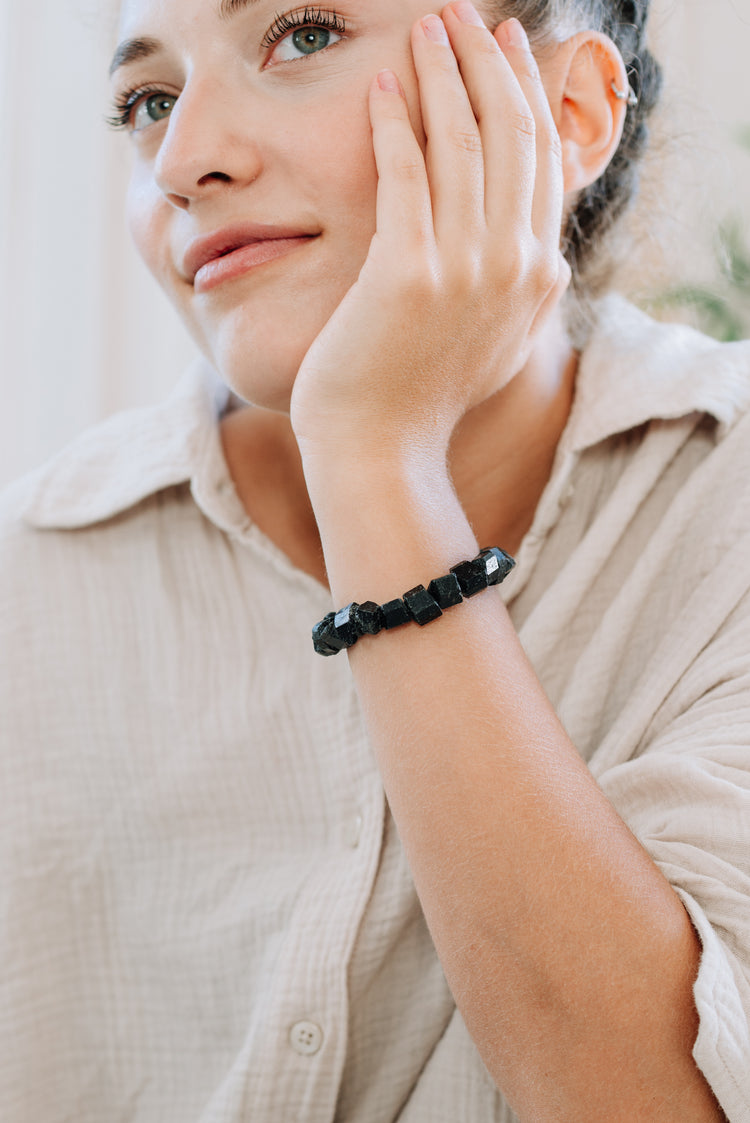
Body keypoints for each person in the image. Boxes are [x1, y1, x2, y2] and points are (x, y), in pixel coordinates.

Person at [1, 0, 749, 1118]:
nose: (185, 158)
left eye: (302, 35)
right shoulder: (28, 585)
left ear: (569, 112)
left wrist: (375, 455)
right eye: (148, 101)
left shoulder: (723, 498)